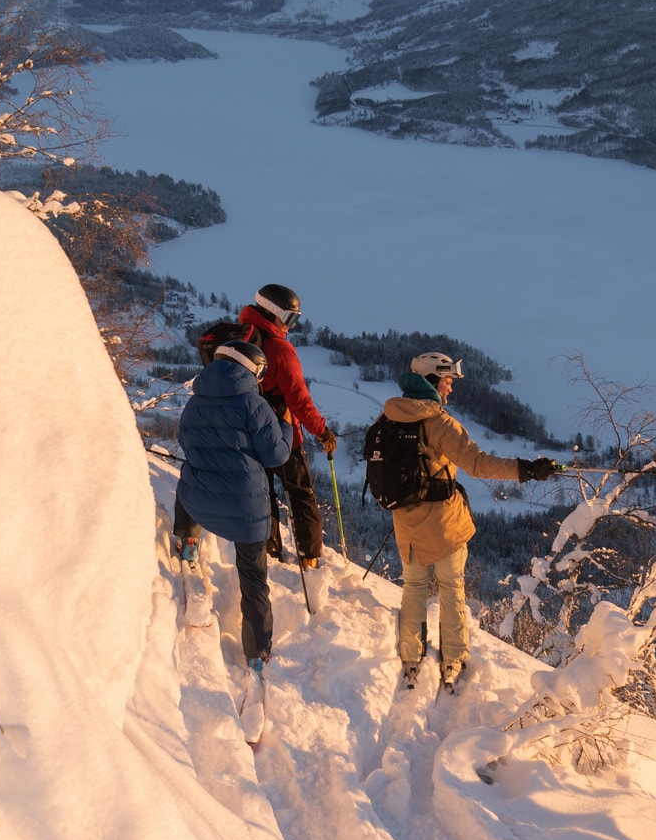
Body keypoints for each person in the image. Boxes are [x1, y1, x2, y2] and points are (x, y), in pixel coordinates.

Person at [379, 350, 564, 691]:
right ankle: (452, 661)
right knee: (451, 589)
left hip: (405, 521)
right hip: (443, 525)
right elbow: (479, 464)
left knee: (414, 587)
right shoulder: (439, 423)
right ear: (432, 380)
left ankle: (410, 657)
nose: (450, 389)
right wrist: (528, 469)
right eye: (447, 381)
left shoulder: (390, 416)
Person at [174, 325, 292, 687]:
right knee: (254, 580)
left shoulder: (195, 401)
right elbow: (276, 455)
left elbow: (186, 442)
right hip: (245, 514)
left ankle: (188, 541)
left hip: (199, 501)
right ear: (252, 369)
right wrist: (284, 426)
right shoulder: (253, 404)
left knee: (186, 478)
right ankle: (257, 654)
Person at [237, 283, 337, 605]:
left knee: (263, 491)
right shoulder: (280, 350)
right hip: (282, 435)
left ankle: (270, 548)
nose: (290, 327)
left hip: (248, 431)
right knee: (300, 493)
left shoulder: (241, 337)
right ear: (276, 313)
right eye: (290, 319)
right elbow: (300, 400)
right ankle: (310, 558)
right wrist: (322, 432)